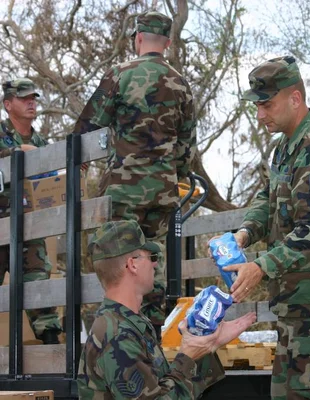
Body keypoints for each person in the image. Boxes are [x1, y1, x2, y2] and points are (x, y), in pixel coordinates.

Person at [211, 56, 310, 400]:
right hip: (294, 302)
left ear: (295, 99)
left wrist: (260, 267)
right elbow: (267, 200)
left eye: (267, 104)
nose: (260, 114)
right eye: (257, 106)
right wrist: (244, 233)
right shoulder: (283, 149)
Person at [72, 11, 197, 336]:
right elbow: (186, 149)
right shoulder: (181, 85)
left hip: (125, 191)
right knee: (150, 259)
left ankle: (120, 338)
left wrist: (79, 165)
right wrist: (172, 173)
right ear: (168, 43)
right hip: (162, 191)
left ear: (138, 38)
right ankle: (151, 335)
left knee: (120, 262)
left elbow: (86, 128)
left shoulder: (120, 75)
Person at [77, 220, 256, 399]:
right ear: (133, 265)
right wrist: (187, 355)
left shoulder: (127, 323)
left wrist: (205, 344)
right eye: (152, 257)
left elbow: (163, 387)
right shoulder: (117, 335)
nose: (155, 264)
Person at [0, 78, 62, 344]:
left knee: (39, 289)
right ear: (8, 104)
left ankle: (53, 352)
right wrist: (17, 151)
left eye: (33, 98)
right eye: (24, 98)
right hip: (0, 225)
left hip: (30, 228)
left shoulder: (41, 141)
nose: (31, 102)